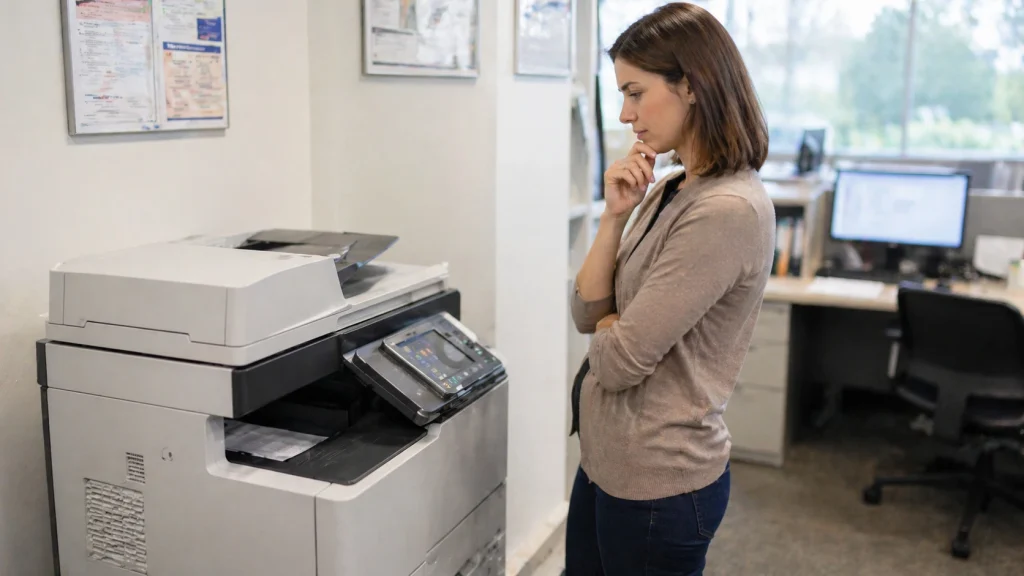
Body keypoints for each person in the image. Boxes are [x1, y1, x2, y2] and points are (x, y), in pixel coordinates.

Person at [566, 3, 775, 575]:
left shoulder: (726, 209)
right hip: (607, 460)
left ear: (691, 86)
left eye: (636, 93)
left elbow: (619, 361)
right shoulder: (675, 184)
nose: (626, 114)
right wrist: (613, 217)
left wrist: (614, 327)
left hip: (659, 485)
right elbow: (586, 309)